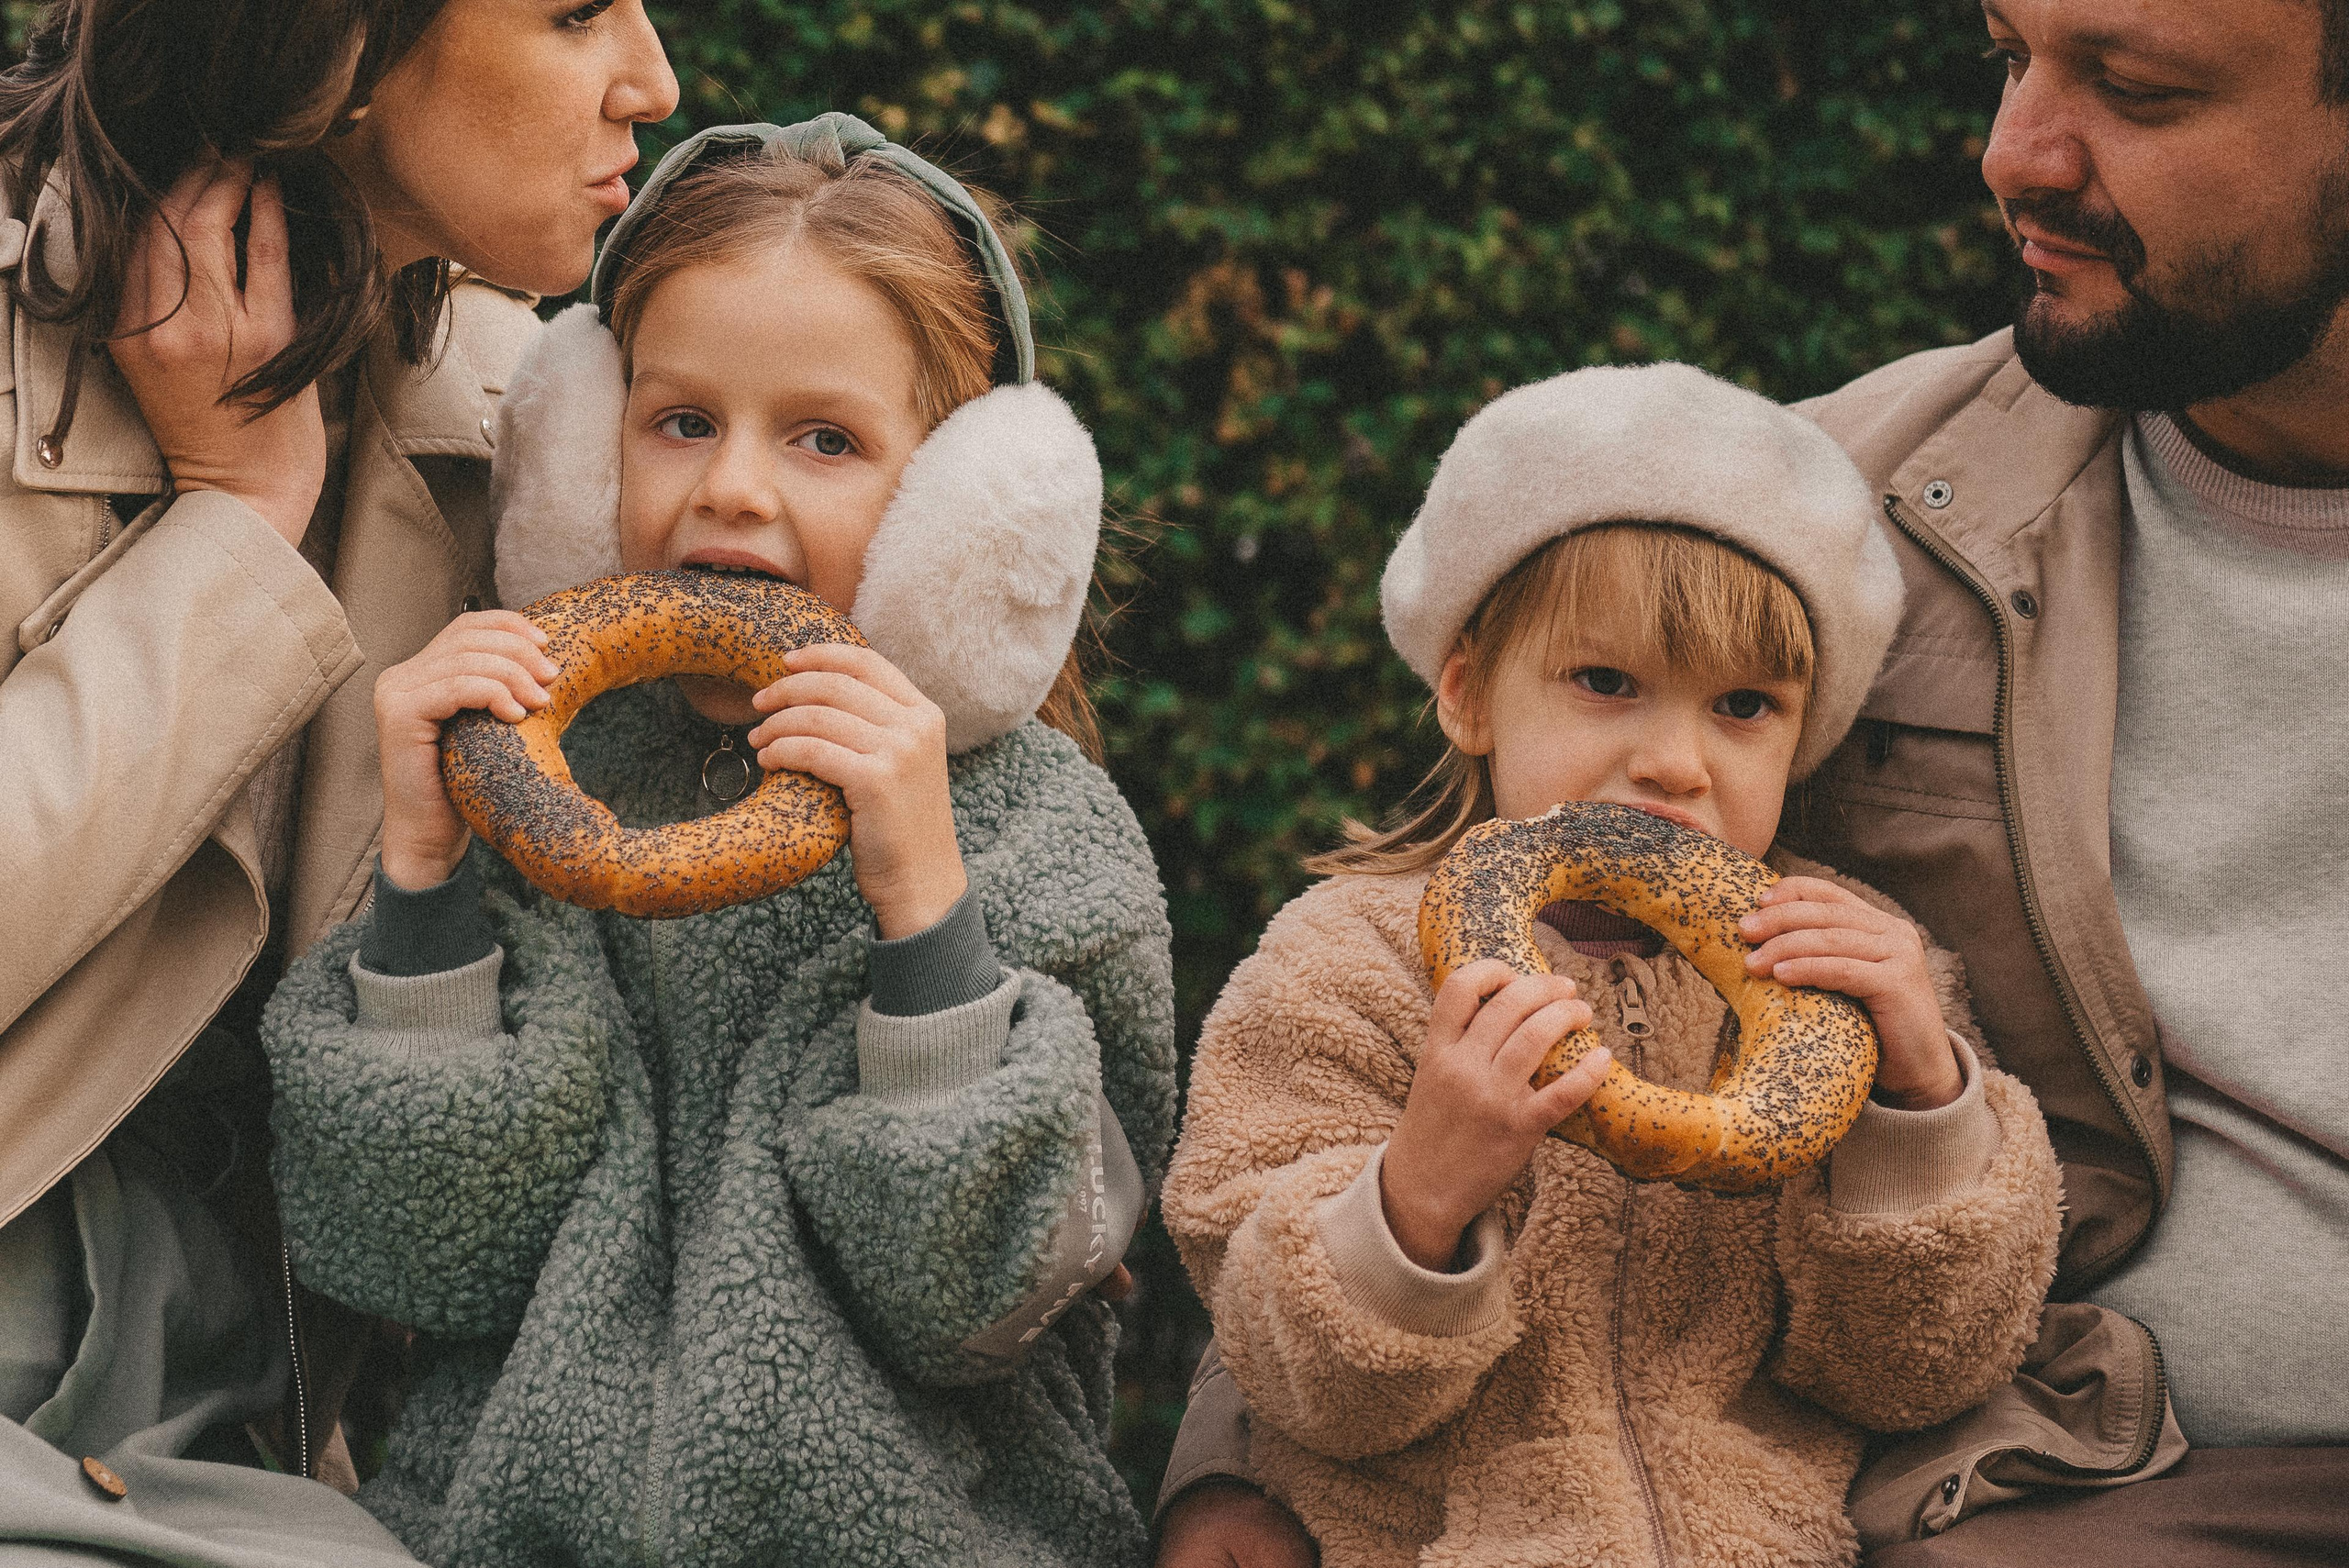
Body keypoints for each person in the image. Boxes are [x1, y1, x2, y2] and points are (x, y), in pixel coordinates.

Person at [1157, 1, 2349, 1562]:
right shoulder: (1829, 524)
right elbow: (1411, 978)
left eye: (2132, 86)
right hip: (2079, 1484)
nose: (2010, 155)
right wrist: (1239, 1462)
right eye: (2007, 55)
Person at [259, 116, 1178, 1568]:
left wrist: (924, 913)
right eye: (683, 421)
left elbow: (988, 1296)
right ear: (580, 453)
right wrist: (426, 877)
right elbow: (412, 1256)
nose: (736, 487)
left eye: (825, 439)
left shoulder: (1040, 843)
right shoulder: (529, 788)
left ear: (963, 514)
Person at [1157, 363, 2064, 1567]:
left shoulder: (1847, 971)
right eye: (1606, 682)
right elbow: (1301, 1386)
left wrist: (1923, 1107)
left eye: (1743, 704)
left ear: (1808, 738)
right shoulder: (1346, 968)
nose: (1677, 760)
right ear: (1472, 693)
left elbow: (1917, 1375)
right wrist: (1419, 1193)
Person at [0, 0, 676, 1560]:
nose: (655, 80)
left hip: (253, 1434)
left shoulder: (539, 422)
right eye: (578, 15)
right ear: (337, 54)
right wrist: (240, 524)